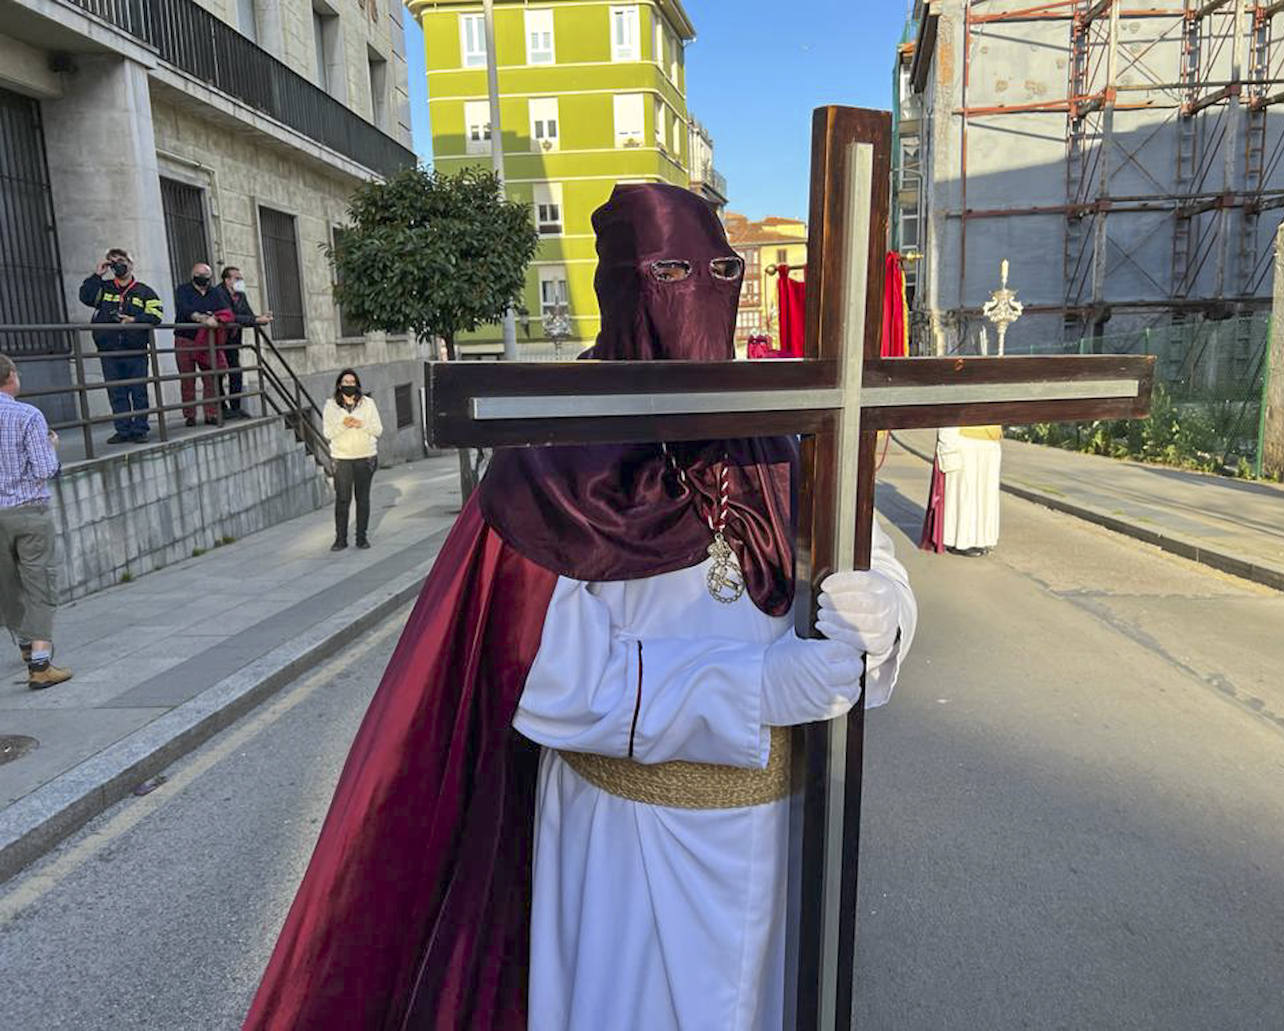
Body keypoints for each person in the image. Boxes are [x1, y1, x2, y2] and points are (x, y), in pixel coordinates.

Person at [243, 184, 918, 1030]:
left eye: (717, 272)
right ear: (622, 288)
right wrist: (752, 687)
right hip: (628, 846)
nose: (695, 294)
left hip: (780, 831)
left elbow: (866, 550)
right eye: (669, 272)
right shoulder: (558, 460)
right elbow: (541, 673)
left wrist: (883, 608)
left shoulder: (778, 430)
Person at [0, 354, 71, 689]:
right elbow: (45, 469)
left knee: (8, 586)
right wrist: (51, 446)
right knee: (39, 583)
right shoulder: (27, 415)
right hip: (29, 511)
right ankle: (40, 664)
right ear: (10, 376)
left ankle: (26, 647)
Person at [78, 248, 163, 444]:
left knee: (138, 391)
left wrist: (135, 319)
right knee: (116, 393)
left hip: (135, 350)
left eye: (122, 260)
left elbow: (156, 315)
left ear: (131, 264)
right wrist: (97, 275)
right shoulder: (104, 288)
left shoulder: (144, 291)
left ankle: (140, 429)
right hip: (109, 350)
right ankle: (123, 430)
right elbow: (85, 297)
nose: (118, 264)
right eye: (113, 261)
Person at [322, 369, 382, 551]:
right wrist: (343, 424)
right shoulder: (331, 406)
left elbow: (378, 430)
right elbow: (328, 433)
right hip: (342, 458)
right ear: (339, 385)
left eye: (352, 382)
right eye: (346, 382)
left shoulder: (368, 404)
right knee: (343, 499)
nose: (349, 385)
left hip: (365, 457)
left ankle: (361, 538)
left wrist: (360, 424)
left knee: (362, 499)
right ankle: (340, 539)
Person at [919, 424, 1002, 556]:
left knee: (985, 498)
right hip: (966, 444)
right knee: (965, 496)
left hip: (989, 444)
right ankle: (961, 541)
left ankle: (979, 540)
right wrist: (948, 448)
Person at [209, 266, 273, 419]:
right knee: (218, 374)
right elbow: (229, 316)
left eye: (240, 278)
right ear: (227, 280)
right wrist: (255, 319)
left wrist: (260, 318)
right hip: (218, 340)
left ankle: (235, 407)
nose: (240, 281)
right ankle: (222, 408)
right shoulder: (218, 293)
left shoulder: (240, 295)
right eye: (237, 278)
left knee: (236, 372)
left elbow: (247, 315)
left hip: (233, 340)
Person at [173, 262, 231, 427]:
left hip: (207, 340)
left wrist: (215, 318)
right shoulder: (183, 290)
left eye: (205, 277)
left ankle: (210, 413)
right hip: (185, 338)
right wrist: (201, 317)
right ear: (193, 276)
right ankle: (190, 415)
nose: (202, 279)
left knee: (210, 377)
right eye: (199, 276)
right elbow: (184, 309)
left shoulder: (215, 293)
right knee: (187, 378)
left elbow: (224, 309)